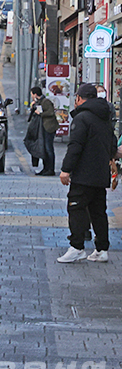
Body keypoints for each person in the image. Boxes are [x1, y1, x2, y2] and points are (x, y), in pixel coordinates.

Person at [57, 83, 118, 263]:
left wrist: (66, 170)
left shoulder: (82, 118)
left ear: (79, 98)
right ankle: (101, 249)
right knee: (98, 211)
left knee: (75, 207)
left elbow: (75, 146)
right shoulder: (105, 118)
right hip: (100, 174)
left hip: (84, 174)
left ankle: (77, 247)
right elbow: (112, 144)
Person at [31, 86, 57, 176]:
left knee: (48, 148)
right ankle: (45, 168)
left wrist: (41, 113)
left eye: (32, 94)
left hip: (49, 128)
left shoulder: (46, 102)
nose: (31, 96)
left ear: (35, 94)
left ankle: (50, 169)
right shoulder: (39, 102)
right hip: (42, 128)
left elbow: (50, 113)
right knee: (44, 149)